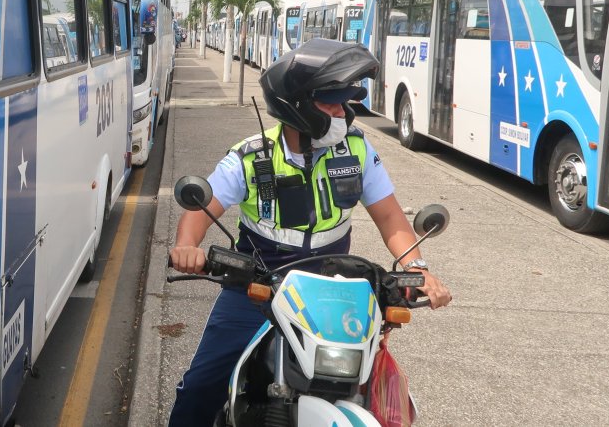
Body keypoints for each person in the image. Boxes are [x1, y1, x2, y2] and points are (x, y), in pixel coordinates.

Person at [167, 38, 452, 426]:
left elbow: (389, 217)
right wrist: (187, 246)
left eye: (344, 103)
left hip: (332, 291)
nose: (343, 113)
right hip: (257, 290)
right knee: (202, 386)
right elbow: (201, 211)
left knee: (374, 392)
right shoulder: (251, 156)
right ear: (297, 107)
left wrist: (417, 268)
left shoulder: (356, 151)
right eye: (331, 104)